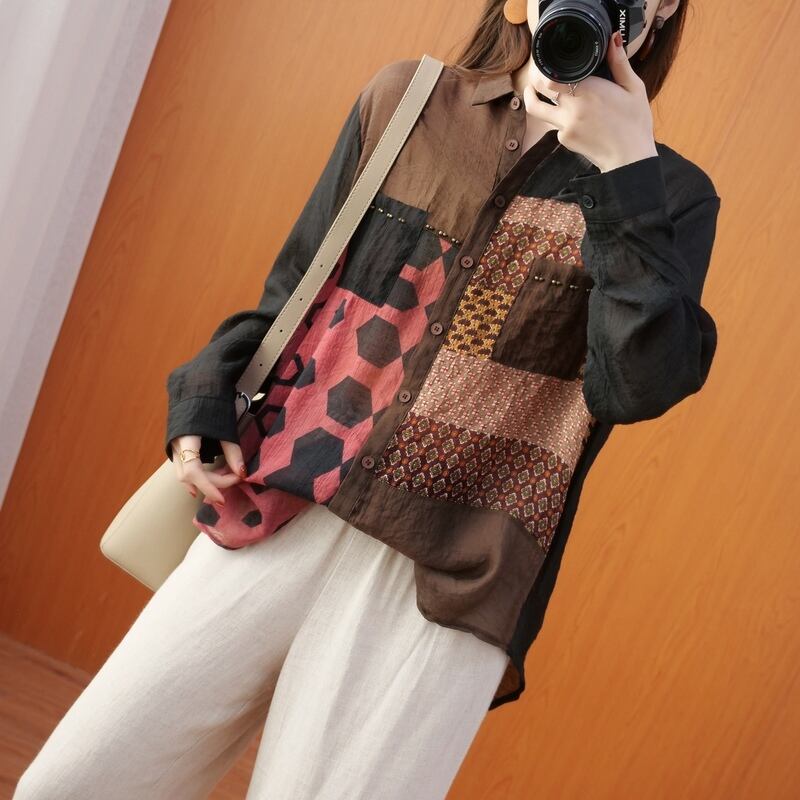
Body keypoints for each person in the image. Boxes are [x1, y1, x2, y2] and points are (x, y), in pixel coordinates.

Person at [15, 0, 720, 798]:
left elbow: (635, 386)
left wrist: (626, 178)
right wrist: (204, 400)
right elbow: (296, 291)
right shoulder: (406, 102)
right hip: (283, 503)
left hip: (449, 575)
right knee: (74, 785)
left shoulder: (670, 198)